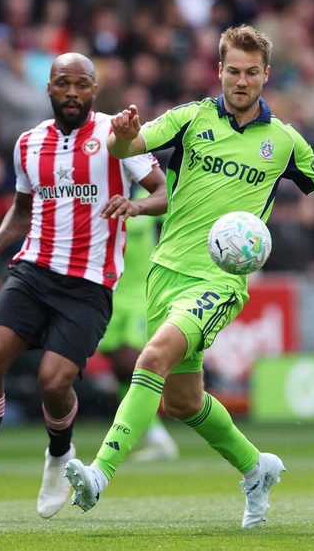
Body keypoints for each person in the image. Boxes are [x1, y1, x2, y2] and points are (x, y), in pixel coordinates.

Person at [64, 25, 314, 529]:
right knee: (183, 401)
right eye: (233, 70)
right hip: (165, 276)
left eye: (251, 72)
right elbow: (129, 148)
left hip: (220, 282)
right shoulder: (190, 119)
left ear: (265, 76)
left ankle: (99, 474)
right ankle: (257, 469)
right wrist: (124, 137)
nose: (241, 80)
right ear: (220, 71)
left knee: (153, 357)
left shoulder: (283, 142)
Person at [0, 53, 167, 520]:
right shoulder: (28, 143)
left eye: (81, 85)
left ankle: (59, 454)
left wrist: (136, 207)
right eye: (63, 84)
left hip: (88, 284)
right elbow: (23, 210)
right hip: (32, 271)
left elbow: (164, 192)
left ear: (93, 92)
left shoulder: (117, 138)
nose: (71, 93)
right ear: (48, 89)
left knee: (54, 382)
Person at [97, 185, 178, 462]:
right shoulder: (101, 194)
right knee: (118, 364)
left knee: (134, 361)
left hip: (141, 295)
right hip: (109, 292)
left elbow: (173, 210)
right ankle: (155, 436)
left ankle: (151, 432)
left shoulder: (148, 197)